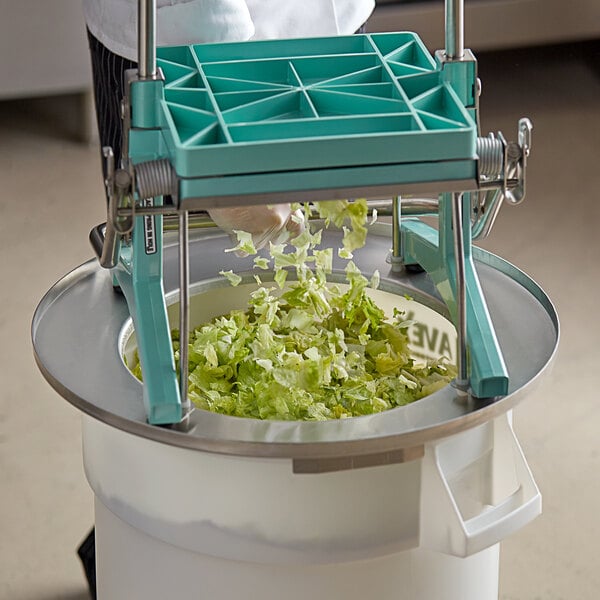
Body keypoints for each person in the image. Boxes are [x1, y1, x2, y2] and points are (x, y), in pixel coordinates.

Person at [79, 1, 375, 597]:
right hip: (174, 39)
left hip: (323, 30)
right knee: (168, 287)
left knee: (311, 293)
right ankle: (156, 545)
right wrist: (220, 135)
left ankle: (302, 537)